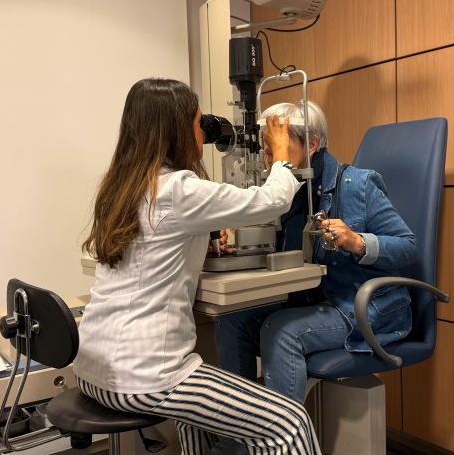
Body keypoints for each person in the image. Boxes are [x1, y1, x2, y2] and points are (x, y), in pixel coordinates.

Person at [72, 78, 321, 455]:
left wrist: (198, 236)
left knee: (196, 415)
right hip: (143, 376)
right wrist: (284, 157)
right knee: (289, 422)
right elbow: (271, 202)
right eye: (198, 122)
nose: (202, 133)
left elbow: (151, 244)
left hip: (93, 369)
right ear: (177, 130)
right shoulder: (178, 189)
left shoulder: (120, 186)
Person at [215, 101, 418, 403]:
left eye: (277, 148)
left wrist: (357, 242)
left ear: (310, 145)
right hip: (310, 302)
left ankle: (283, 432)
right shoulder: (289, 193)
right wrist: (235, 240)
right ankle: (240, 426)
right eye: (267, 150)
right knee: (231, 320)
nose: (269, 158)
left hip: (360, 306)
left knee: (281, 331)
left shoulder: (357, 185)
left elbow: (408, 245)